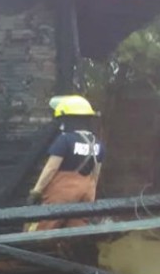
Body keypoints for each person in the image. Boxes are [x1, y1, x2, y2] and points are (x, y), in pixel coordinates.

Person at [26, 94, 104, 232]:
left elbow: (51, 168)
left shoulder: (65, 140)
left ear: (68, 118)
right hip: (87, 191)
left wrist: (36, 192)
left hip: (63, 191)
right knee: (76, 230)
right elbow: (95, 174)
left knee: (42, 228)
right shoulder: (97, 144)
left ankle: (34, 252)